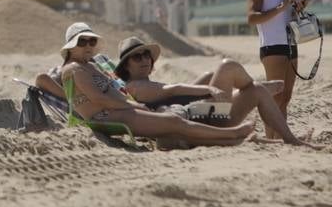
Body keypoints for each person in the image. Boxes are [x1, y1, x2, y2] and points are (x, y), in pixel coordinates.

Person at [44, 23, 256, 147]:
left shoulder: (89, 66)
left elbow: (114, 93)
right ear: (71, 47)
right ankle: (233, 134)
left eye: (91, 41)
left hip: (120, 111)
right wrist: (134, 106)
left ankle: (230, 136)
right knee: (174, 121)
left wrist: (133, 105)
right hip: (106, 117)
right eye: (82, 42)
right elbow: (99, 100)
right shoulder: (73, 69)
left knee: (174, 123)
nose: (88, 46)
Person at [114, 36, 313, 146]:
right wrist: (207, 89)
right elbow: (173, 89)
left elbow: (173, 96)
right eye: (137, 57)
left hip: (203, 115)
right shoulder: (134, 86)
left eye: (146, 55)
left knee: (256, 90)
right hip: (196, 119)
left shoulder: (148, 84)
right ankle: (251, 85)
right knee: (227, 66)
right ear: (126, 66)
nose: (145, 60)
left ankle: (290, 139)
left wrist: (205, 84)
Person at [247, 0, 310, 139]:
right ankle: (269, 138)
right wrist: (280, 8)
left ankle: (280, 137)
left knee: (285, 97)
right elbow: (251, 18)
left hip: (290, 44)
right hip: (272, 46)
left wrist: (295, 9)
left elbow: (284, 18)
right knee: (274, 97)